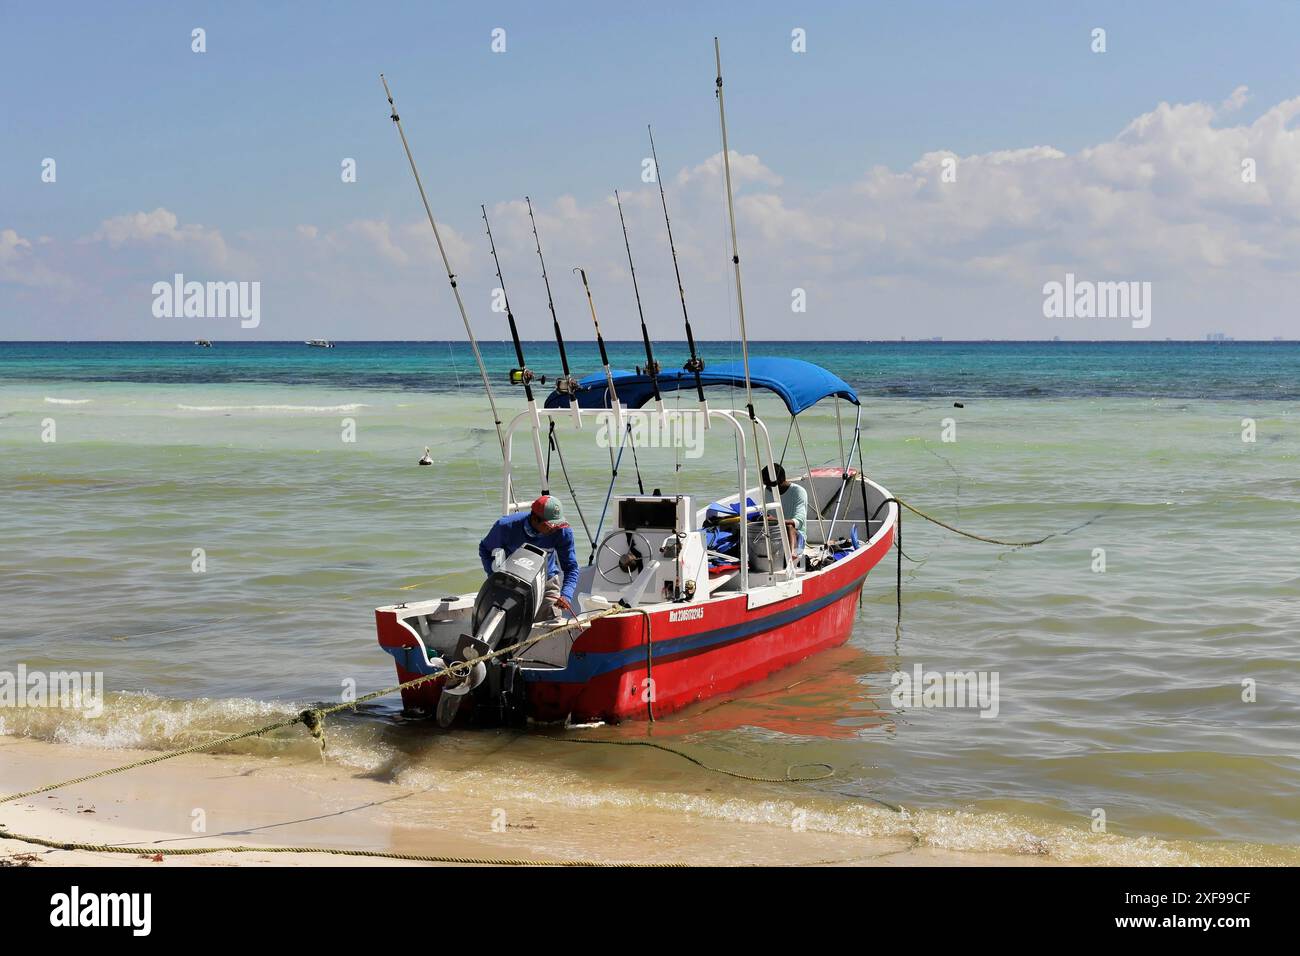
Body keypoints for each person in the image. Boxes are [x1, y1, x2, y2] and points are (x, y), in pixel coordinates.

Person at [478, 495, 579, 620]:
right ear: (535, 519)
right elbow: (485, 549)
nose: (555, 529)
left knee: (552, 623)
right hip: (512, 583)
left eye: (557, 525)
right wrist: (494, 575)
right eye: (550, 525)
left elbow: (571, 568)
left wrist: (566, 595)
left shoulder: (563, 532)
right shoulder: (505, 526)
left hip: (547, 583)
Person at [762, 463, 807, 558]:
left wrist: (775, 519)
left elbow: (798, 522)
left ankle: (792, 556)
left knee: (789, 527)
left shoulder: (798, 492)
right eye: (766, 484)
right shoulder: (768, 490)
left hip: (795, 535)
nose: (768, 487)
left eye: (769, 484)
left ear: (780, 480)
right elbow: (768, 515)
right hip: (775, 532)